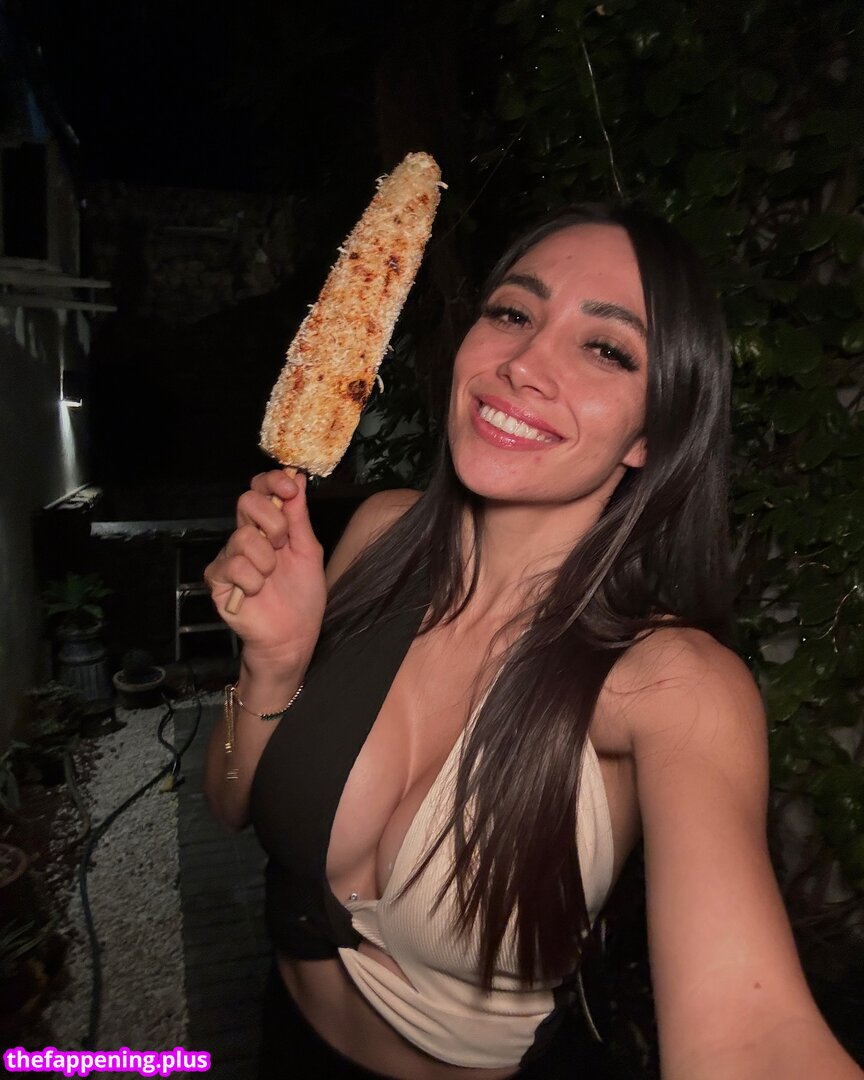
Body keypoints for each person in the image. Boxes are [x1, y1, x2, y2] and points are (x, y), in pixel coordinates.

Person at [203, 205, 862, 1079]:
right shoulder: (378, 535)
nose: (522, 365)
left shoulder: (672, 684)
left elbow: (752, 1033)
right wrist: (272, 664)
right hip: (282, 1038)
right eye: (513, 312)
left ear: (651, 434)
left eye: (607, 349)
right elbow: (231, 804)